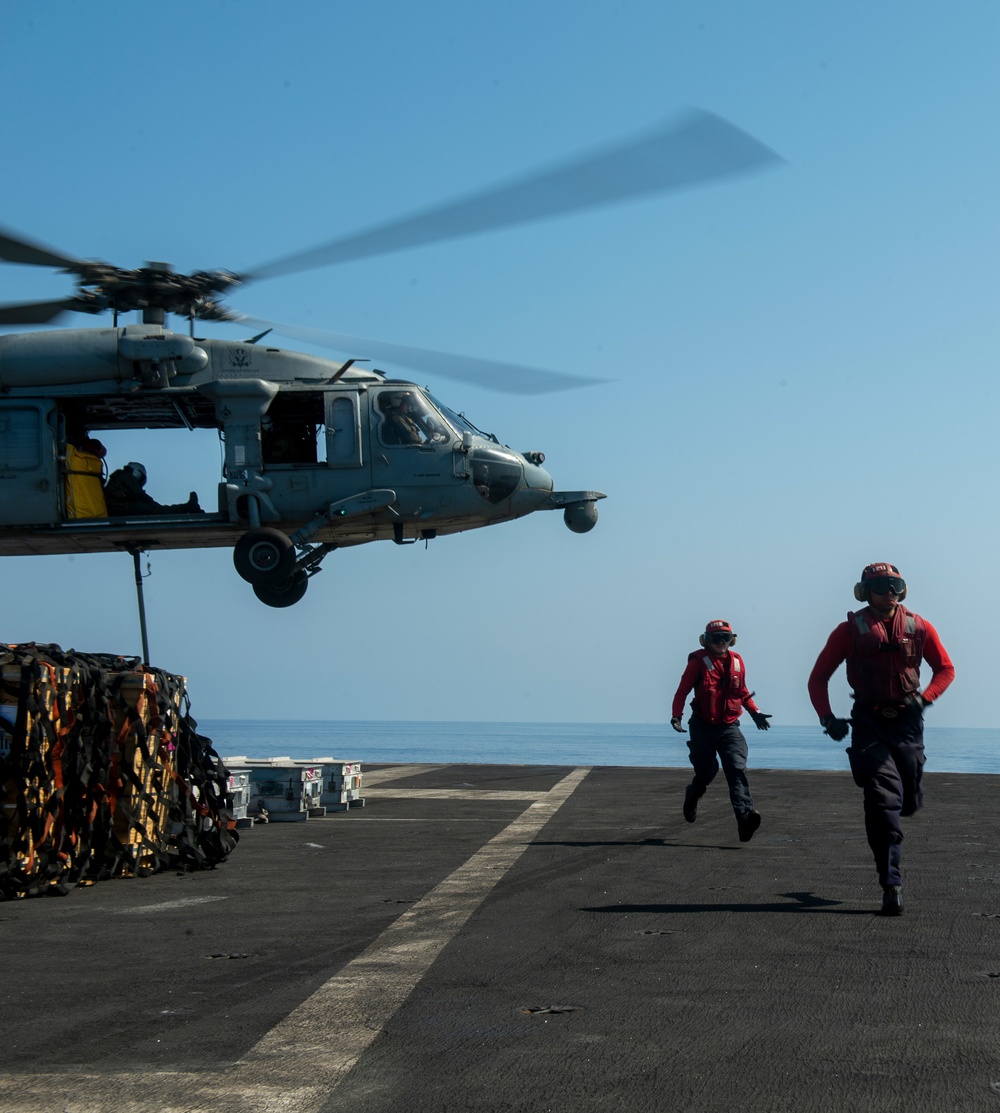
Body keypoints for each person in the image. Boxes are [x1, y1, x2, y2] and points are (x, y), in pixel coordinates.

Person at [808, 562, 955, 916]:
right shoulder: (849, 631)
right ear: (864, 590)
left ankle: (907, 798)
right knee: (881, 799)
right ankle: (891, 884)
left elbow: (945, 669)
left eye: (894, 584)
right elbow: (818, 678)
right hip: (868, 723)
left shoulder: (919, 627)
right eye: (880, 585)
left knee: (908, 800)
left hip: (907, 723)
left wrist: (925, 699)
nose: (888, 591)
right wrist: (828, 719)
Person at [670, 619, 771, 843]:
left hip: (729, 727)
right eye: (716, 638)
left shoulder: (737, 662)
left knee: (736, 770)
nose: (721, 643)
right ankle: (693, 794)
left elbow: (741, 691)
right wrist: (677, 716)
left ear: (732, 640)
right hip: (703, 726)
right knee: (706, 772)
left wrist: (755, 713)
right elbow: (682, 692)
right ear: (707, 641)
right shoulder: (697, 663)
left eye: (726, 638)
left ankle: (745, 818)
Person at [104, 461, 204, 516]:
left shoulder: (121, 477)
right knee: (153, 509)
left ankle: (189, 508)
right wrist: (155, 506)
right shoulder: (125, 476)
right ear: (137, 473)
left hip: (119, 508)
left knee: (152, 508)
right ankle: (187, 507)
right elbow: (140, 495)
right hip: (118, 508)